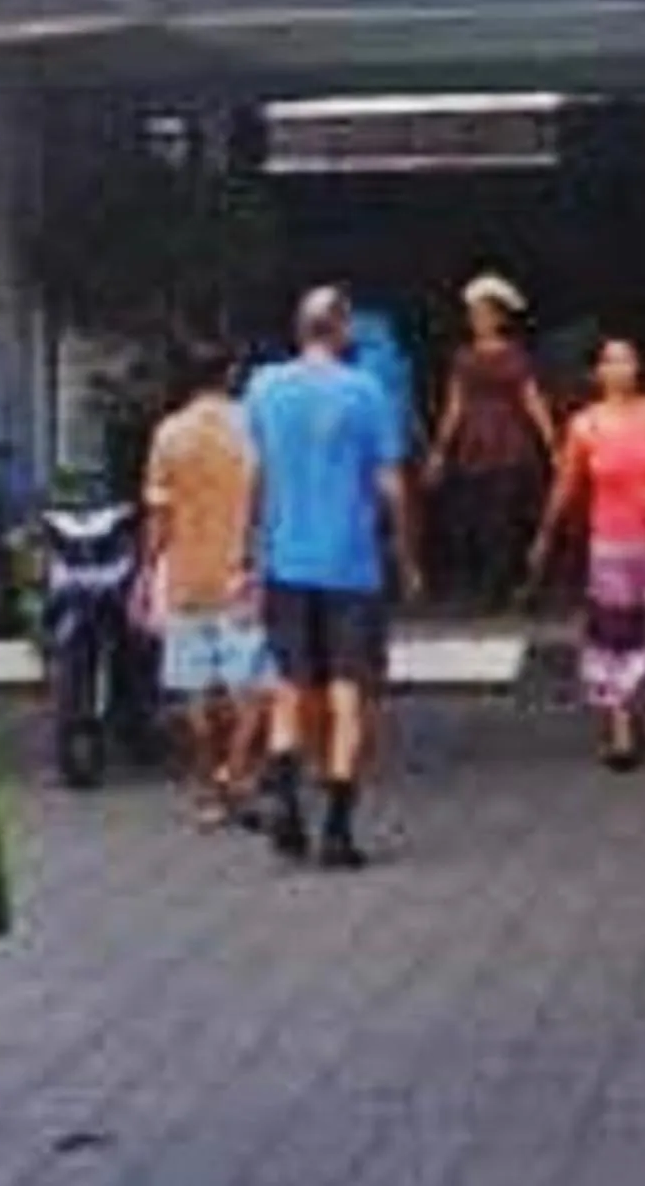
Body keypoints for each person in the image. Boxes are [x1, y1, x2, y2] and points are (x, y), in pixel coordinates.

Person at [246, 287, 419, 870]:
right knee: (348, 692)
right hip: (351, 565)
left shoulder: (264, 387)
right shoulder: (367, 390)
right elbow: (391, 483)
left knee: (290, 685)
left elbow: (256, 474)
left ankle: (285, 798)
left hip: (285, 561)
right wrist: (407, 553)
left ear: (299, 329)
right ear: (341, 329)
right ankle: (338, 831)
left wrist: (249, 555)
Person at [527, 336, 645, 769]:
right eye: (612, 362)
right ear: (597, 373)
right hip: (613, 548)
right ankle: (621, 731)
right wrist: (544, 534)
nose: (621, 369)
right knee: (616, 636)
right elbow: (566, 485)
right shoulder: (585, 425)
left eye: (628, 360)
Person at [142, 340, 267, 828]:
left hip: (186, 573)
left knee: (193, 688)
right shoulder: (251, 428)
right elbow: (266, 498)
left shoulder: (169, 434)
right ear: (231, 373)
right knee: (249, 688)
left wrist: (147, 570)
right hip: (241, 570)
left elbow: (158, 516)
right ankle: (236, 772)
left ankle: (206, 791)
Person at [422, 273, 553, 609]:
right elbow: (455, 405)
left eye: (483, 313)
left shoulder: (515, 356)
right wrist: (439, 450)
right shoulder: (463, 357)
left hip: (510, 445)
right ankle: (486, 584)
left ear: (498, 317)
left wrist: (553, 444)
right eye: (473, 314)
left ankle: (506, 586)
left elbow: (531, 399)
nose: (477, 320)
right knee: (476, 516)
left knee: (506, 516)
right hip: (473, 445)